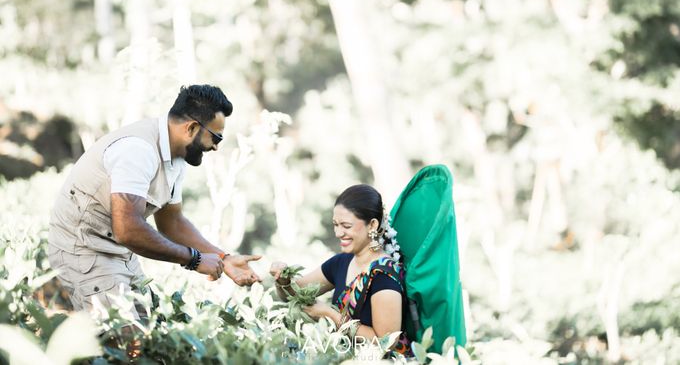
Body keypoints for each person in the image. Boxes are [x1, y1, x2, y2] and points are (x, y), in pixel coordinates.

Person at [48, 84, 261, 318]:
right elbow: (127, 230)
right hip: (83, 250)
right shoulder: (138, 150)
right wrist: (194, 259)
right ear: (191, 128)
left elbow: (172, 222)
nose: (216, 146)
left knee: (150, 327)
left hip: (118, 251)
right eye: (216, 136)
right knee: (125, 339)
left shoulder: (177, 155)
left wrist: (224, 258)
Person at [270, 184, 411, 355]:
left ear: (372, 225)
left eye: (346, 225)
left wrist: (331, 316)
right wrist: (283, 278)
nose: (338, 232)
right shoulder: (341, 262)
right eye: (335, 224)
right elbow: (294, 294)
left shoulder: (384, 276)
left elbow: (385, 343)